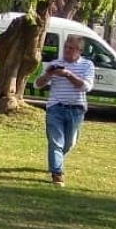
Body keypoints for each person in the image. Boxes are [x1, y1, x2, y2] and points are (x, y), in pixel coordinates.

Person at [33, 35, 94, 187]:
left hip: (76, 109)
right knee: (56, 142)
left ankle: (56, 159)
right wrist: (48, 74)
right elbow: (37, 85)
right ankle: (57, 173)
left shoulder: (87, 65)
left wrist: (68, 74)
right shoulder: (54, 64)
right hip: (55, 108)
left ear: (80, 51)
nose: (68, 51)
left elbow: (86, 86)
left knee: (69, 143)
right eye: (66, 47)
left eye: (72, 48)